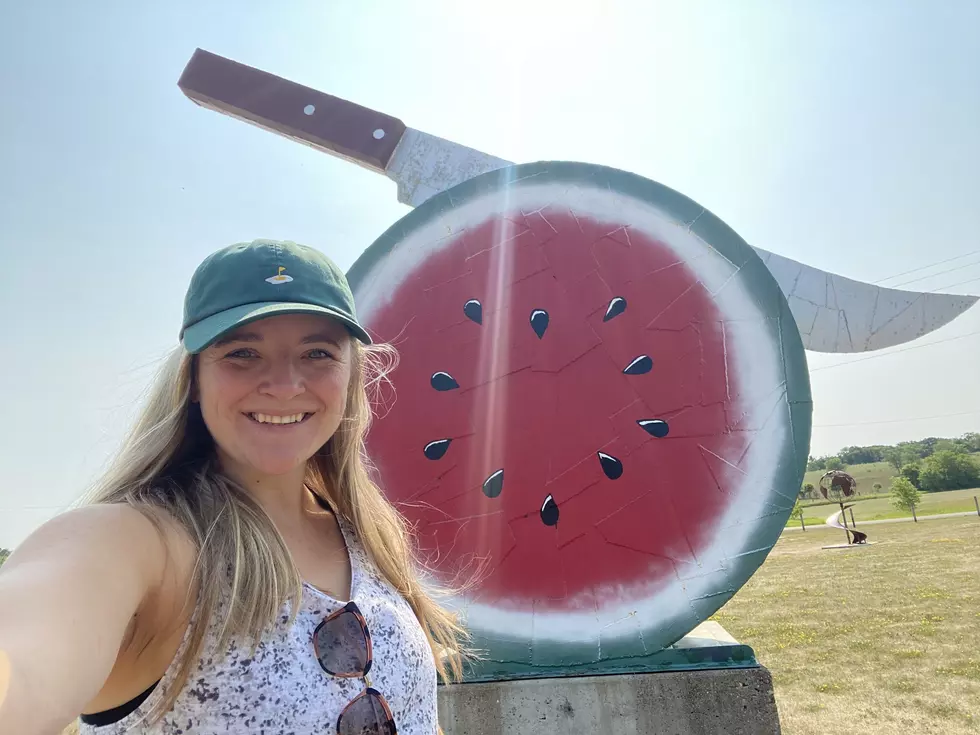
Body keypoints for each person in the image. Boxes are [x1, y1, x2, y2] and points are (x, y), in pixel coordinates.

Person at [0, 240, 469, 735]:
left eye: (317, 353)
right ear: (195, 379)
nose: (285, 385)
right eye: (242, 352)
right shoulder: (143, 543)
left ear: (351, 375)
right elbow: (26, 656)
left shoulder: (369, 537)